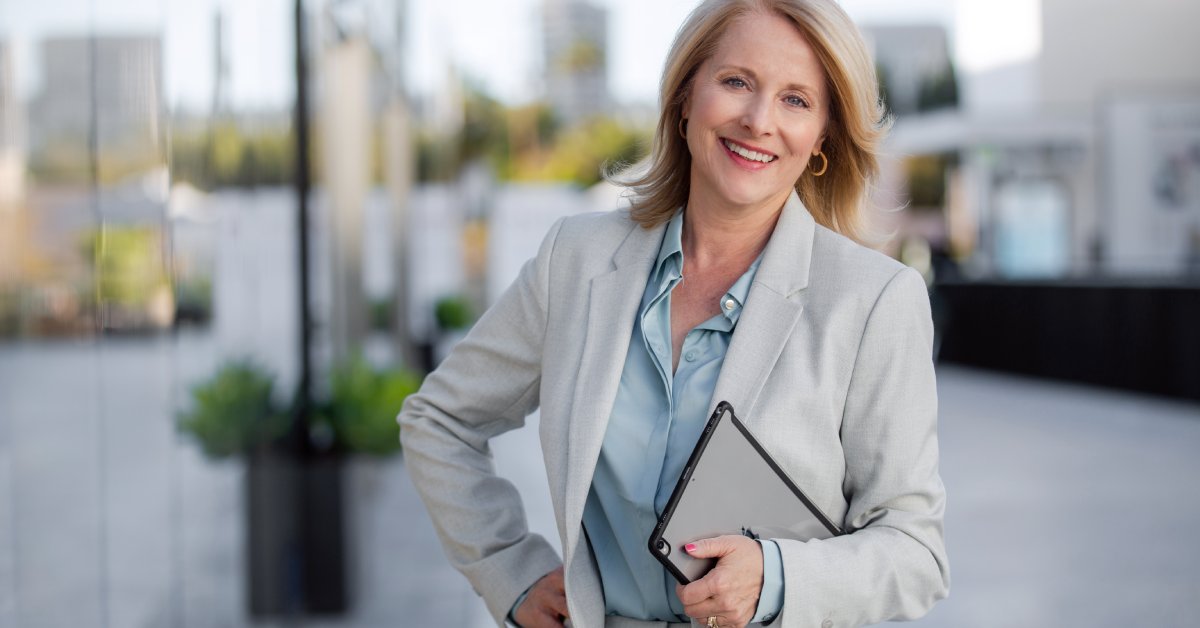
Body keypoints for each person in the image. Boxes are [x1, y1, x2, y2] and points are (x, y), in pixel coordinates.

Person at [397, 1, 949, 626]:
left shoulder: (876, 301)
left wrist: (778, 578)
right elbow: (438, 419)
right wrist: (510, 572)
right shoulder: (575, 260)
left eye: (796, 100)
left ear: (822, 136)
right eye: (737, 82)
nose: (759, 119)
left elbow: (916, 553)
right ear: (686, 96)